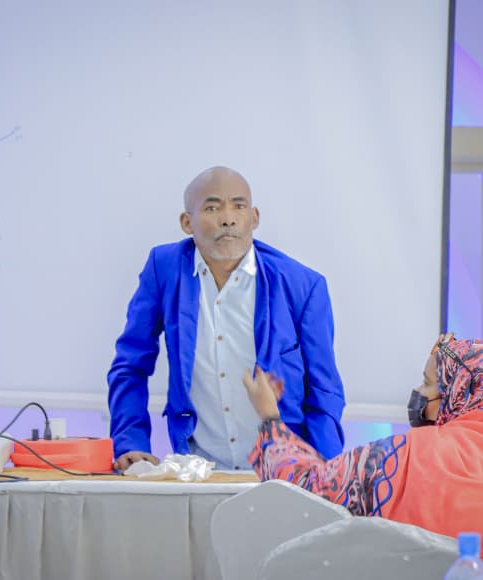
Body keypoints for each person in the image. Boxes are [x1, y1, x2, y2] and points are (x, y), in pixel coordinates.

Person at [107, 166, 346, 471]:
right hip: (197, 471)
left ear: (254, 218)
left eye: (239, 206)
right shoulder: (164, 269)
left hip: (282, 472)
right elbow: (130, 365)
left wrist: (323, 471)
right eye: (212, 207)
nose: (228, 218)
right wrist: (131, 442)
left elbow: (325, 389)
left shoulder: (302, 285)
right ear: (186, 222)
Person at [242, 334, 483, 560]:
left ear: (458, 394)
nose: (419, 391)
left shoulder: (399, 457)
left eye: (428, 382)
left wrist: (270, 418)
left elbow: (303, 490)